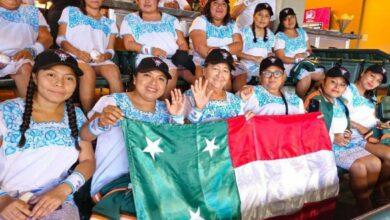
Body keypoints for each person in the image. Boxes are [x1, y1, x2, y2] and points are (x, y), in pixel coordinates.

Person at [80, 57, 185, 219]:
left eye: (161, 79)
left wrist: (177, 119)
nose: (153, 83)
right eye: (147, 75)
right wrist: (101, 121)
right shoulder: (112, 101)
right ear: (135, 79)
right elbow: (85, 135)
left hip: (153, 183)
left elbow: (175, 153)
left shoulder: (167, 109)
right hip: (112, 184)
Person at [0, 49, 95, 220]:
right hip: (7, 200)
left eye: (69, 78)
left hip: (55, 202)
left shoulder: (77, 115)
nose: (60, 83)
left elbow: (87, 161)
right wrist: (3, 200)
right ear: (35, 77)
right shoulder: (7, 111)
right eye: (51, 75)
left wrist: (63, 190)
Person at [306, 66, 382, 213]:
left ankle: (363, 199)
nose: (337, 87)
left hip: (345, 144)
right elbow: (309, 130)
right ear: (324, 81)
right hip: (327, 147)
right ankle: (365, 206)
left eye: (342, 84)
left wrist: (346, 132)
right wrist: (334, 138)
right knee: (360, 167)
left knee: (375, 162)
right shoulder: (315, 100)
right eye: (333, 82)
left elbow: (345, 122)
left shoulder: (340, 102)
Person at [57, 0, 123, 112]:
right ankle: (90, 114)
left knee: (113, 71)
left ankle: (117, 113)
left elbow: (110, 50)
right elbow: (60, 39)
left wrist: (104, 56)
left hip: (98, 61)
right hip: (73, 56)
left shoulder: (110, 23)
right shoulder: (71, 11)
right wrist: (78, 53)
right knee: (87, 72)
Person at [121, 0, 193, 99]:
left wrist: (181, 56)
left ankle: (162, 106)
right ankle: (158, 105)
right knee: (169, 70)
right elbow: (128, 44)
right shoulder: (130, 19)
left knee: (181, 71)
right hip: (145, 57)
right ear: (137, 1)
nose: (147, 1)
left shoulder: (171, 20)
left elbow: (182, 43)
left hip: (171, 59)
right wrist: (151, 50)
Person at [341, 64, 390, 204]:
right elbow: (337, 114)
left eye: (378, 80)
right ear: (363, 73)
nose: (373, 81)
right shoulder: (346, 89)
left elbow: (371, 120)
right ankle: (366, 198)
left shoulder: (371, 98)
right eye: (371, 76)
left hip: (363, 139)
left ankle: (378, 189)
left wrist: (381, 124)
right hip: (346, 138)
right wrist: (359, 126)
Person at [0, 0, 53, 97]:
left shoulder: (32, 11)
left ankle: (30, 111)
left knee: (25, 67)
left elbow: (47, 38)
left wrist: (32, 50)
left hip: (22, 59)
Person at [184, 49, 251, 123]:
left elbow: (239, 129)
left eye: (225, 70)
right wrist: (198, 109)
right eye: (215, 69)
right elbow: (182, 130)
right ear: (204, 71)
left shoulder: (234, 101)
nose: (220, 75)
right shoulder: (190, 96)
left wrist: (247, 120)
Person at [189, 0, 244, 90]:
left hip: (231, 61)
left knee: (241, 73)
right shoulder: (200, 20)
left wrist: (221, 50)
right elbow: (200, 48)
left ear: (227, 8)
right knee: (225, 82)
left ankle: (237, 100)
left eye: (223, 4)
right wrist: (224, 57)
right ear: (209, 6)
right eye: (215, 3)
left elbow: (239, 45)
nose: (220, 7)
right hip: (206, 61)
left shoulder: (232, 24)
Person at [274, 8, 324, 98]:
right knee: (306, 75)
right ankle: (299, 101)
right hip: (289, 66)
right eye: (286, 19)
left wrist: (304, 55)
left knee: (323, 76)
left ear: (295, 17)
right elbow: (281, 58)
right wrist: (297, 59)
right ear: (282, 22)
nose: (290, 21)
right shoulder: (280, 36)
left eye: (292, 17)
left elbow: (309, 50)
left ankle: (309, 97)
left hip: (305, 63)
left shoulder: (302, 32)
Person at [239, 56, 304, 115]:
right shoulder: (250, 92)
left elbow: (304, 124)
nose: (272, 77)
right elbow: (233, 114)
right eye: (267, 73)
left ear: (283, 76)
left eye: (277, 73)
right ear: (260, 77)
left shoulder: (296, 100)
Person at [236, 3, 274, 91]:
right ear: (254, 16)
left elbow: (269, 51)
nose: (262, 18)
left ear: (269, 19)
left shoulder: (270, 35)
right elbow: (236, 53)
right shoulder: (243, 31)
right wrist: (253, 58)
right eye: (260, 14)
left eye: (266, 16)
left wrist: (271, 55)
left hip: (263, 68)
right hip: (245, 67)